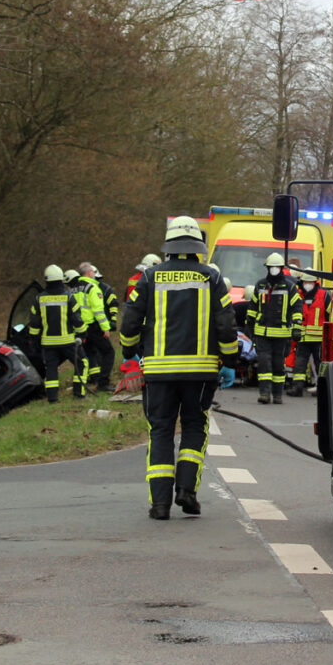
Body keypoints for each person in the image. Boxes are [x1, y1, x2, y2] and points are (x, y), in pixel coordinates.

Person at [118, 217, 237, 520]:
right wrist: (230, 361)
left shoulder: (148, 278)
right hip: (200, 372)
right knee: (195, 428)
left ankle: (159, 505)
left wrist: (129, 354)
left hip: (158, 372)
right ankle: (187, 490)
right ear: (197, 246)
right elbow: (225, 325)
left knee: (160, 431)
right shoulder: (212, 277)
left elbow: (130, 322)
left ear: (169, 246)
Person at [247, 251, 301, 404]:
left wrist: (297, 326)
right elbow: (253, 307)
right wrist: (249, 325)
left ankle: (277, 395)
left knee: (278, 366)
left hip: (281, 334)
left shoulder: (290, 287)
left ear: (281, 268)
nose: (274, 270)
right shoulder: (261, 285)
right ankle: (264, 394)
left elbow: (297, 307)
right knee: (264, 363)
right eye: (271, 267)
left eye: (276, 267)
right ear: (267, 268)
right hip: (262, 333)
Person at [29, 264, 86, 401]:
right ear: (61, 279)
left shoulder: (39, 299)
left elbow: (34, 323)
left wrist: (34, 340)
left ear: (46, 280)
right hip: (68, 341)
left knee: (51, 369)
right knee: (82, 363)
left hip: (48, 343)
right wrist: (82, 333)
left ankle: (52, 397)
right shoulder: (69, 297)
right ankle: (79, 393)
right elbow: (77, 319)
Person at [288, 274, 331, 397]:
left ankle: (321, 389)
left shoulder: (324, 295)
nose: (307, 284)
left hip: (319, 339)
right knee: (299, 365)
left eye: (310, 282)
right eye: (305, 282)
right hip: (302, 338)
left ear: (315, 283)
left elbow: (330, 315)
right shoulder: (298, 295)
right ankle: (297, 388)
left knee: (320, 366)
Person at [75, 262, 115, 391]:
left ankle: (91, 380)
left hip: (80, 328)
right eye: (92, 271)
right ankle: (103, 383)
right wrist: (105, 328)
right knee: (109, 352)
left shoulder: (74, 289)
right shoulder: (93, 288)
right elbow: (98, 310)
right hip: (93, 327)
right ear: (89, 273)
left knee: (89, 353)